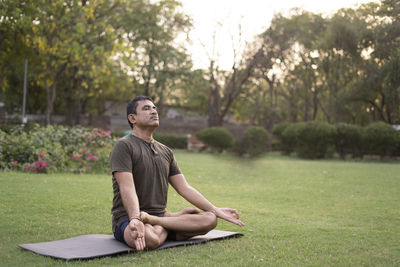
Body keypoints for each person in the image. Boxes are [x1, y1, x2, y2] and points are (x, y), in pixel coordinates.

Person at [110, 96, 244, 250]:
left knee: (210, 219)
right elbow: (127, 187)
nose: (153, 112)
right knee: (149, 239)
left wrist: (216, 210)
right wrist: (135, 218)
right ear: (132, 118)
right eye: (146, 108)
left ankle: (159, 222)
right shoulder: (124, 146)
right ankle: (174, 226)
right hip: (127, 218)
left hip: (160, 215)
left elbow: (184, 188)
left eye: (154, 108)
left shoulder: (165, 151)